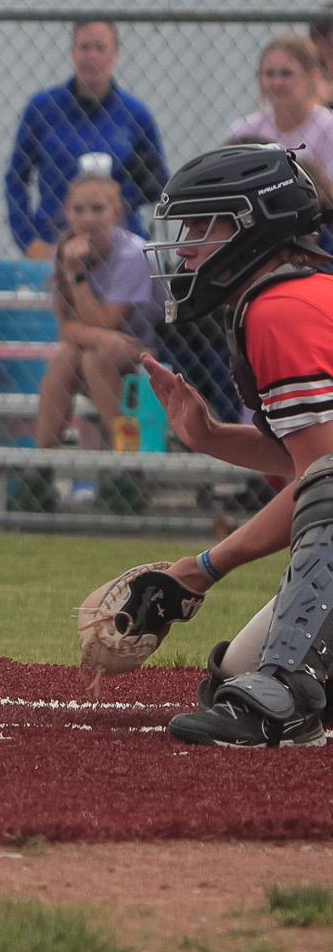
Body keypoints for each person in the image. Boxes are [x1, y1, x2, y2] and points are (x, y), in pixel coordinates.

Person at [124, 143, 333, 746]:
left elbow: (321, 477)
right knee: (238, 669)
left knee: (272, 678)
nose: (185, 246)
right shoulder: (290, 296)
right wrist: (209, 437)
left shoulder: (282, 310)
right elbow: (312, 461)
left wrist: (204, 567)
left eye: (201, 226)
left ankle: (288, 701)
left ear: (253, 224)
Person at [8, 174, 165, 514]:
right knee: (69, 355)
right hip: (98, 354)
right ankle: (40, 469)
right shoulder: (65, 251)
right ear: (67, 212)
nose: (87, 218)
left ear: (116, 212)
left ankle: (127, 466)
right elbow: (67, 330)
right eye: (79, 209)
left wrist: (76, 274)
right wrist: (99, 336)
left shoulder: (133, 254)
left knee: (95, 357)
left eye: (98, 209)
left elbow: (105, 323)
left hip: (147, 357)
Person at [4, 20, 169, 258]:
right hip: (55, 243)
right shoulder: (43, 109)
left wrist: (130, 192)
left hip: (118, 249)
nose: (91, 56)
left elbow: (160, 182)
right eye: (84, 47)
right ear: (73, 52)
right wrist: (29, 240)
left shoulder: (135, 115)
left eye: (100, 48)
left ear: (115, 54)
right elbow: (16, 179)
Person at [225, 35, 333, 174]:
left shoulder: (328, 128)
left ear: (311, 76)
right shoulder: (244, 130)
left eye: (286, 73)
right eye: (269, 74)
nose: (277, 82)